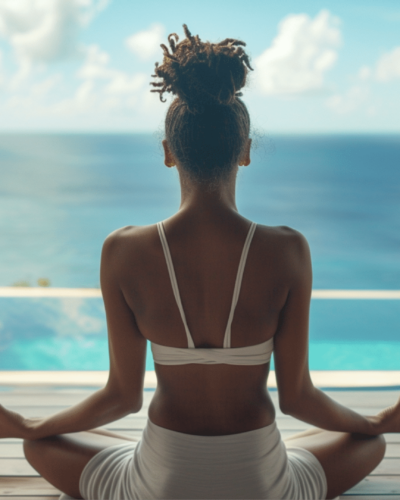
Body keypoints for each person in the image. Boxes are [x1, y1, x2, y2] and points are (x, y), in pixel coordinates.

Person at [0, 24, 399, 500]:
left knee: (39, 446)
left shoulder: (122, 250)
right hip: (261, 483)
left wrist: (28, 424)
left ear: (168, 154)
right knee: (370, 443)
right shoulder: (288, 250)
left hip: (159, 484)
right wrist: (375, 420)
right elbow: (298, 399)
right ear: (245, 151)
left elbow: (122, 398)